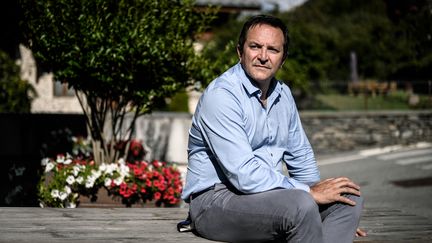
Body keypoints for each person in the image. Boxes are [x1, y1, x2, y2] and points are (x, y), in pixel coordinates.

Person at [181, 14, 365, 242]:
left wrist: (326, 209)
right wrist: (310, 194)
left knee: (347, 198)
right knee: (301, 204)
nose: (263, 56)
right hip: (215, 202)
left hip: (267, 198)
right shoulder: (222, 95)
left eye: (273, 50)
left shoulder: (283, 94)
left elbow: (301, 156)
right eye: (255, 47)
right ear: (240, 52)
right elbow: (244, 175)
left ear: (283, 58)